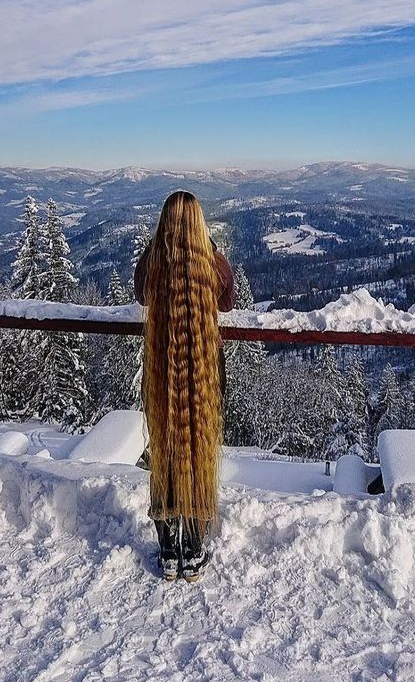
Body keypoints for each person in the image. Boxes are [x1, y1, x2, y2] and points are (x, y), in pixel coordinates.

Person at [134, 190, 236, 582]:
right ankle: (192, 551)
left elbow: (139, 291)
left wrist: (157, 244)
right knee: (197, 447)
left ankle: (168, 553)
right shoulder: (210, 263)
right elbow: (227, 300)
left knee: (165, 448)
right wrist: (209, 247)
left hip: (161, 370)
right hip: (204, 372)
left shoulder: (154, 263)